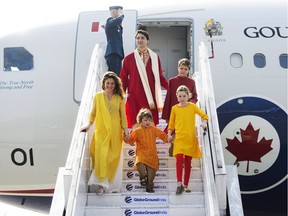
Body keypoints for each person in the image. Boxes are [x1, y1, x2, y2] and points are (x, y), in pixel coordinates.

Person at [81, 71, 129, 194]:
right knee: (100, 156)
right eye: (107, 83)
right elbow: (93, 113)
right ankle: (101, 186)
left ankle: (109, 185)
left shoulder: (119, 98)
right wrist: (88, 125)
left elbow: (123, 116)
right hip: (101, 132)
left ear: (115, 85)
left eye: (112, 83)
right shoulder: (98, 97)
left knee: (111, 158)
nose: (110, 86)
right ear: (103, 84)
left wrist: (126, 130)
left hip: (115, 132)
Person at [120, 29, 168, 129]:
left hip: (150, 95)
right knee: (135, 121)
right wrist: (122, 93)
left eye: (142, 38)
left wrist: (170, 88)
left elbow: (159, 77)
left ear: (147, 40)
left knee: (149, 122)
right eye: (137, 38)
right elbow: (123, 77)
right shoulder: (129, 58)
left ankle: (149, 141)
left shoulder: (154, 57)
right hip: (134, 94)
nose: (140, 40)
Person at [167, 85, 208, 195]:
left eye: (184, 96)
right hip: (179, 138)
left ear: (188, 96)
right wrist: (169, 133)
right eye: (179, 96)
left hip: (190, 138)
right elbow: (171, 123)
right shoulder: (174, 108)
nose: (182, 98)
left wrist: (203, 123)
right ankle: (179, 184)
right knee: (179, 159)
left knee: (188, 162)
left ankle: (185, 185)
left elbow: (204, 115)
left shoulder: (193, 106)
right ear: (177, 96)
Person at [124, 108, 168, 193]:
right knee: (139, 163)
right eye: (145, 120)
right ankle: (142, 177)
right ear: (140, 121)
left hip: (152, 155)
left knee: (151, 175)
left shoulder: (154, 129)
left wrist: (169, 139)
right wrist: (125, 138)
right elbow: (130, 140)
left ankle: (149, 187)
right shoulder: (137, 131)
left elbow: (163, 136)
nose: (148, 122)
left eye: (149, 120)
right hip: (142, 153)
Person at [162, 58, 198, 122]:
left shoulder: (192, 82)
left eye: (185, 69)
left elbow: (195, 96)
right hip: (174, 112)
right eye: (181, 68)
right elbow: (168, 98)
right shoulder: (172, 81)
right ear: (178, 68)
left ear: (189, 70)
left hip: (186, 112)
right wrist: (166, 116)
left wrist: (190, 103)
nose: (183, 71)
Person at [104, 6, 124, 76]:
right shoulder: (109, 21)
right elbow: (118, 20)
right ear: (112, 12)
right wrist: (121, 16)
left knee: (118, 76)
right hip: (113, 52)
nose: (119, 13)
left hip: (118, 53)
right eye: (118, 11)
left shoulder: (116, 25)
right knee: (113, 75)